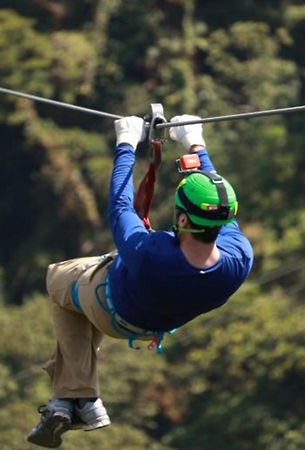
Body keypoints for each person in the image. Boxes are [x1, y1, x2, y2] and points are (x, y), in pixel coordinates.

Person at [27, 115, 254, 448]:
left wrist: (125, 144)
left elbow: (120, 206)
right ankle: (73, 401)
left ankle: (78, 396)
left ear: (180, 218)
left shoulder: (151, 254)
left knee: (58, 278)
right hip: (152, 324)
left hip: (111, 306)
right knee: (81, 297)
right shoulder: (239, 259)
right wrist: (195, 143)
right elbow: (219, 205)